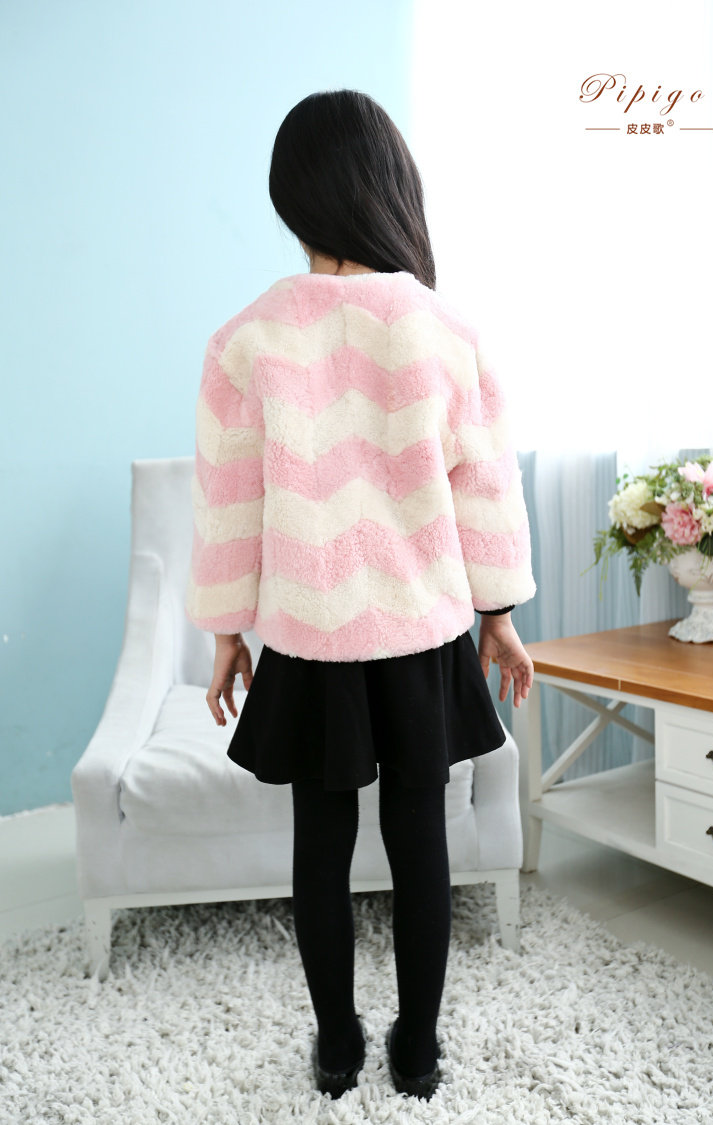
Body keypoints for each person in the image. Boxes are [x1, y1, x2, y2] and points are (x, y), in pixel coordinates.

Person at [185, 89, 536, 1102]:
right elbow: (484, 488)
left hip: (308, 635)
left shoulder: (246, 340)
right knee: (422, 842)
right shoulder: (445, 330)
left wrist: (226, 630)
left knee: (320, 845)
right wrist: (500, 615)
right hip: (422, 631)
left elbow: (229, 500)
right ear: (390, 186)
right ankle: (415, 1048)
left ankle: (337, 1044)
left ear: (291, 198)